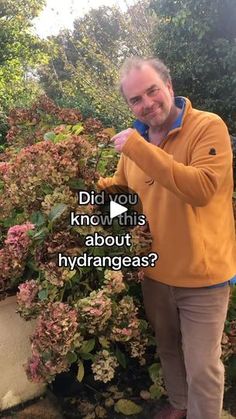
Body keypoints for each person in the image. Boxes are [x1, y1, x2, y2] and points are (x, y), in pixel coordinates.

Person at [97, 57, 236, 419]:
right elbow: (125, 195)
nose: (147, 104)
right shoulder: (136, 141)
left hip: (202, 275)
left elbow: (202, 189)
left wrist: (140, 149)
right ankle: (179, 403)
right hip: (155, 272)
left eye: (152, 90)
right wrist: (96, 196)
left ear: (169, 86)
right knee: (168, 348)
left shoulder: (208, 127)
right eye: (135, 100)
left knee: (203, 365)